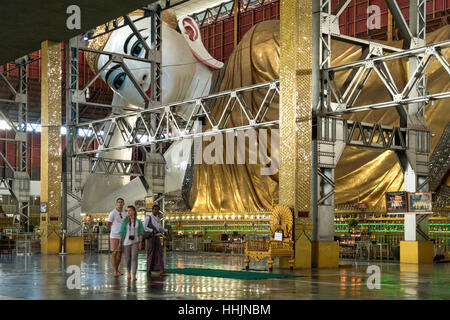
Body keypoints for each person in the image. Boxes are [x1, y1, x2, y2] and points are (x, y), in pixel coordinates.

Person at [119, 205, 144, 281]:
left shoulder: (138, 222)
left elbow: (141, 232)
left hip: (135, 242)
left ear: (133, 211)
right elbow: (122, 232)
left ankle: (134, 274)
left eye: (130, 210)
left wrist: (140, 243)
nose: (128, 212)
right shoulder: (125, 221)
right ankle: (129, 272)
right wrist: (120, 243)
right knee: (128, 259)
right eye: (127, 211)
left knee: (134, 258)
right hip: (126, 242)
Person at [144, 204, 168, 276]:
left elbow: (160, 229)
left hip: (157, 237)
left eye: (158, 210)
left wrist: (166, 230)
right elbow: (144, 227)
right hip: (151, 237)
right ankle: (149, 270)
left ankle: (161, 269)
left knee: (159, 253)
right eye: (155, 209)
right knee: (151, 253)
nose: (156, 211)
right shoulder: (148, 217)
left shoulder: (158, 219)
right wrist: (152, 230)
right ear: (152, 210)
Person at [106, 198, 126, 277]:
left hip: (122, 236)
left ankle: (117, 270)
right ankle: (115, 271)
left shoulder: (125, 213)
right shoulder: (113, 213)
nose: (120, 204)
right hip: (114, 236)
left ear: (123, 203)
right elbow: (108, 223)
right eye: (118, 202)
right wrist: (111, 230)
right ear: (116, 203)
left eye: (121, 202)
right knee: (114, 253)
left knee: (120, 253)